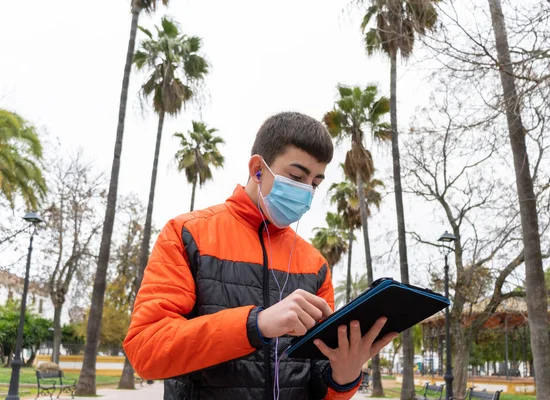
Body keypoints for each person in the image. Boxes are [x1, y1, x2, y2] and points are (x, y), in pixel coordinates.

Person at [124, 112, 397, 400]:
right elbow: (146, 350)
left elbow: (320, 386)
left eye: (315, 183)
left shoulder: (316, 264)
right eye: (296, 176)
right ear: (257, 168)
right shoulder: (187, 234)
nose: (306, 191)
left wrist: (345, 376)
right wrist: (256, 325)